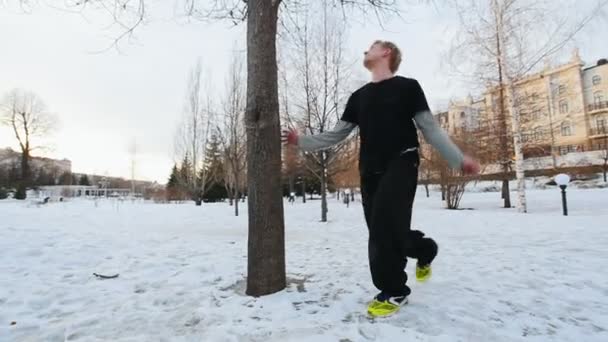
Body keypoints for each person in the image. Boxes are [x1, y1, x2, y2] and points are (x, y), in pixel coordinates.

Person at [282, 40, 480, 318]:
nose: (366, 50)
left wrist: (458, 159)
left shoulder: (408, 87)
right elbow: (336, 135)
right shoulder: (359, 96)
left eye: (372, 46)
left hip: (402, 160)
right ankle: (424, 249)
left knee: (384, 227)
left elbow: (430, 128)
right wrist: (300, 142)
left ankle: (394, 290)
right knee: (384, 229)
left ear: (386, 52)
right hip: (369, 170)